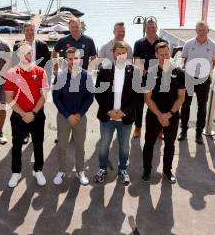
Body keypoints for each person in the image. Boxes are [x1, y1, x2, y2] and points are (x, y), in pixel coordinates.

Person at [94, 41, 140, 185]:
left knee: (124, 146)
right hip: (107, 117)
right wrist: (109, 111)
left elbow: (137, 96)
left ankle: (122, 170)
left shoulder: (135, 71)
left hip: (125, 118)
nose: (121, 55)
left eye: (123, 53)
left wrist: (124, 112)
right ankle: (102, 169)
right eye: (118, 52)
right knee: (104, 145)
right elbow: (98, 93)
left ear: (127, 54)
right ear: (113, 53)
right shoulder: (105, 69)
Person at [5, 41, 49, 188]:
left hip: (37, 115)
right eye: (24, 53)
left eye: (29, 52)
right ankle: (16, 172)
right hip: (19, 116)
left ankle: (38, 170)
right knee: (16, 145)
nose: (27, 55)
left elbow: (44, 96)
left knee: (38, 144)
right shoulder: (11, 74)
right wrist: (24, 114)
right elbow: (9, 99)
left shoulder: (41, 72)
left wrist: (33, 112)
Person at [142, 42, 186, 184]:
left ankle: (167, 170)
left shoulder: (179, 72)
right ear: (156, 55)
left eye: (167, 54)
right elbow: (147, 99)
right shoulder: (150, 73)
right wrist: (160, 115)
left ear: (169, 54)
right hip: (154, 115)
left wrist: (169, 114)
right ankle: (147, 170)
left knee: (170, 144)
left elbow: (181, 97)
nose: (164, 57)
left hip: (172, 116)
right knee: (149, 143)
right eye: (161, 54)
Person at [52, 47, 94, 186]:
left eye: (75, 58)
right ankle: (61, 171)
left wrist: (79, 114)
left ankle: (80, 171)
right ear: (65, 60)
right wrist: (68, 115)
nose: (73, 61)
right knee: (62, 147)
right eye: (70, 59)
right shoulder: (60, 76)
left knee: (80, 147)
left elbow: (89, 98)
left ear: (80, 59)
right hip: (64, 118)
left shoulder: (87, 76)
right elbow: (56, 98)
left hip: (80, 118)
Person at [178, 21, 215, 144]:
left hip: (204, 80)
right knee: (185, 105)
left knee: (202, 107)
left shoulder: (213, 45)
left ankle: (198, 133)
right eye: (199, 30)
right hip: (189, 78)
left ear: (208, 30)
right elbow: (184, 60)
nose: (201, 32)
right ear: (196, 31)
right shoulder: (188, 44)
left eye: (204, 30)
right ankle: (183, 130)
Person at [13, 21, 51, 145]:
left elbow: (48, 65)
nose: (30, 32)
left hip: (39, 83)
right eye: (27, 30)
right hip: (22, 83)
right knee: (23, 108)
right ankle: (25, 133)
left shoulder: (43, 45)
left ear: (35, 31)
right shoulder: (17, 46)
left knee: (39, 108)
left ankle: (37, 132)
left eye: (32, 30)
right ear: (24, 31)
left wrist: (47, 82)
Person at [132, 18, 167, 139]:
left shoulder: (163, 42)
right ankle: (138, 127)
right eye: (148, 27)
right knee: (139, 104)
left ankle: (159, 129)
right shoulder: (139, 43)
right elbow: (137, 61)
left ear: (156, 28)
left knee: (159, 104)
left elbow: (166, 59)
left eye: (153, 27)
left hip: (159, 78)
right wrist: (146, 71)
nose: (150, 29)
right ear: (145, 29)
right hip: (143, 77)